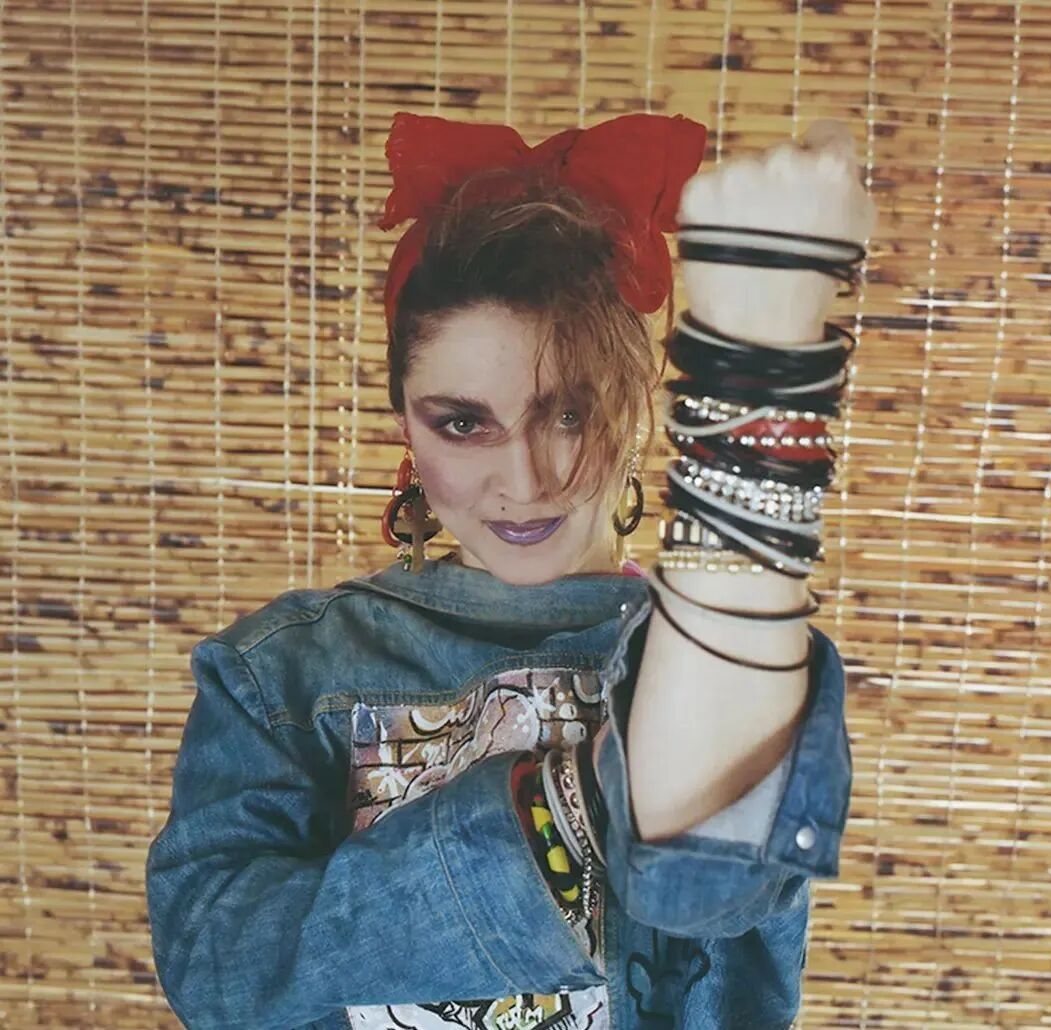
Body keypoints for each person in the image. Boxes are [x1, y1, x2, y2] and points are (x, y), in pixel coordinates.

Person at [145, 109, 869, 1029]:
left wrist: (758, 384)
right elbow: (222, 974)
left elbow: (707, 887)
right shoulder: (281, 676)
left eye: (570, 414)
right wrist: (588, 804)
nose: (525, 483)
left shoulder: (735, 653)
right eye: (463, 422)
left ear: (636, 407)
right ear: (406, 428)